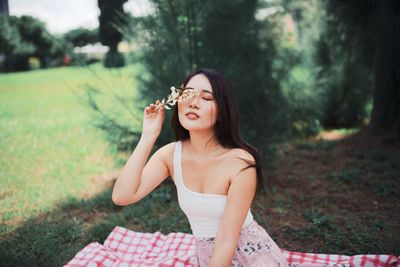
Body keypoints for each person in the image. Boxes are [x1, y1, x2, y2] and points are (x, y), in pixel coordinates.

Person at [112, 69, 291, 266]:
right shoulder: (170, 155)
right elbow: (122, 196)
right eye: (188, 95)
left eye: (206, 98)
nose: (193, 103)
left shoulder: (240, 163)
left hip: (252, 255)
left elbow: (226, 238)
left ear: (222, 111)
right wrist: (148, 135)